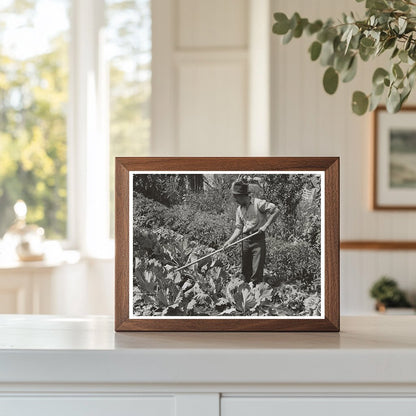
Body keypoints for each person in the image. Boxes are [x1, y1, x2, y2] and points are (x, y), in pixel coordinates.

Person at [223, 181, 278, 284]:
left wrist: (265, 226)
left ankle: (256, 293)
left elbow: (276, 211)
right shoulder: (239, 209)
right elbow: (239, 228)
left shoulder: (258, 204)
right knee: (245, 270)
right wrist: (229, 241)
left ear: (243, 196)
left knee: (257, 270)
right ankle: (245, 291)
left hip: (258, 239)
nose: (235, 200)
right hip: (246, 240)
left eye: (236, 197)